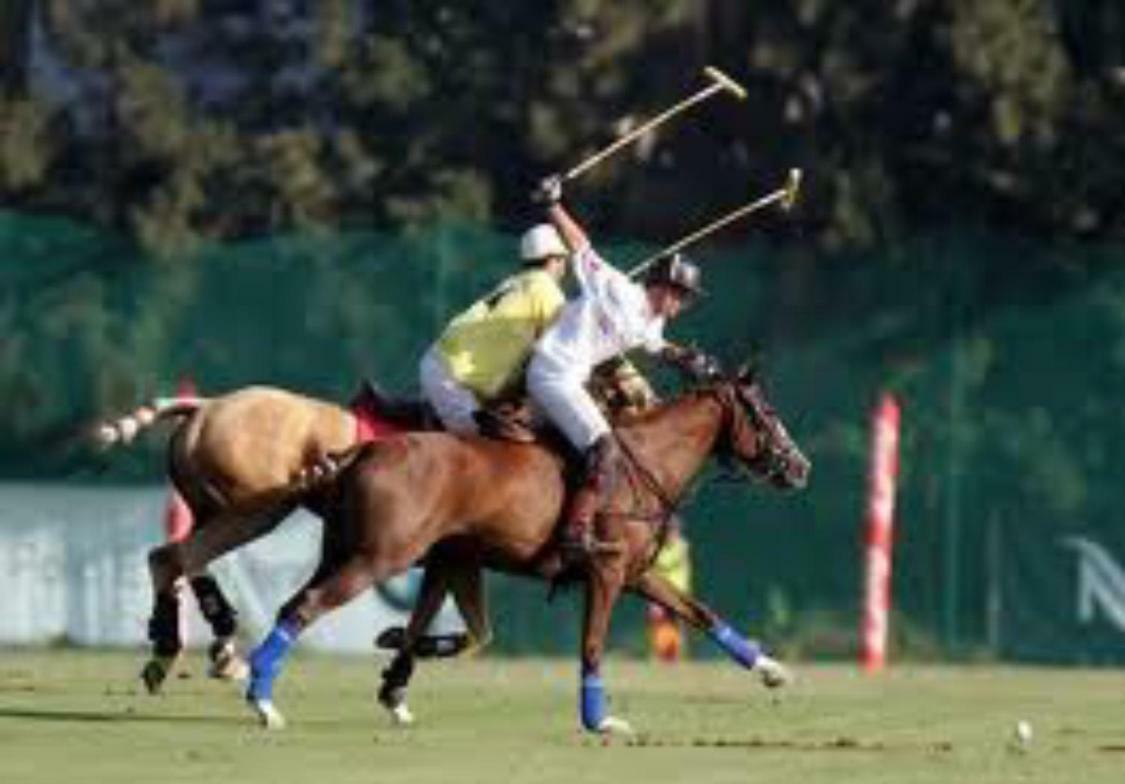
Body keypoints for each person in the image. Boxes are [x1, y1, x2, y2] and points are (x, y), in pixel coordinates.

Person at [526, 174, 714, 564]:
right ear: (661, 287)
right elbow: (580, 247)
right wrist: (553, 206)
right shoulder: (616, 287)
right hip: (554, 372)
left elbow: (656, 344)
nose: (683, 305)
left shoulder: (653, 322)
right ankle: (575, 534)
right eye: (681, 295)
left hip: (568, 380)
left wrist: (688, 358)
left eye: (687, 299)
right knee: (606, 447)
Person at [419, 224, 569, 435]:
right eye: (563, 259)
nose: (564, 267)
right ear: (554, 259)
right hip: (454, 382)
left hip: (442, 366)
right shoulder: (546, 290)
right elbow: (568, 348)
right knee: (493, 454)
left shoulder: (514, 282)